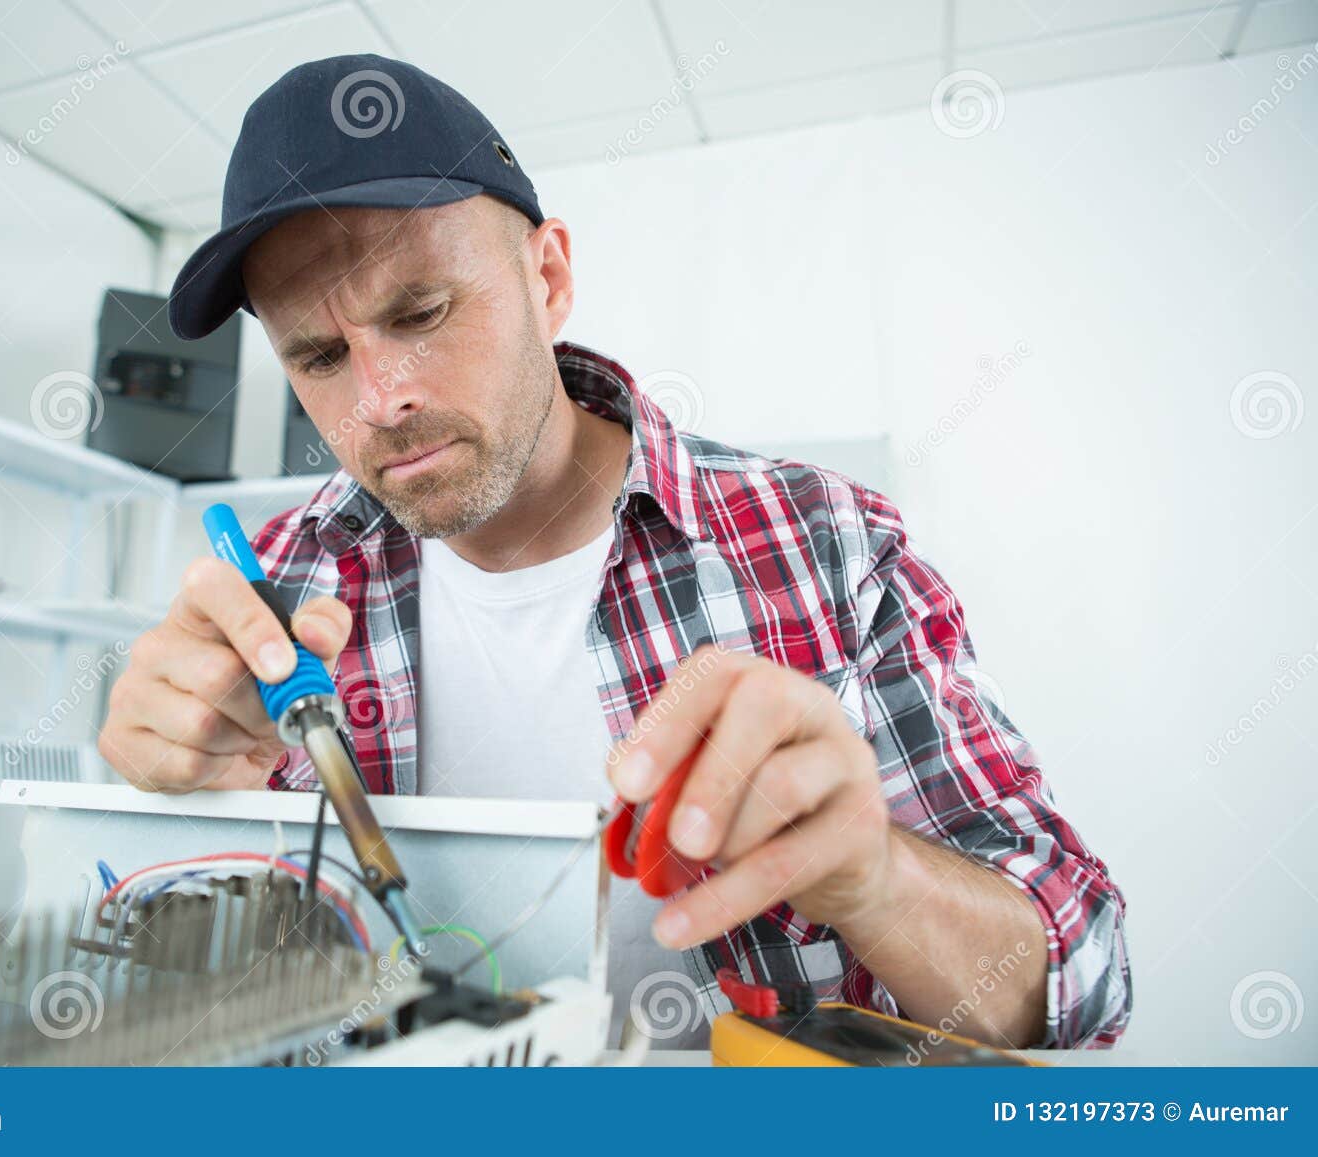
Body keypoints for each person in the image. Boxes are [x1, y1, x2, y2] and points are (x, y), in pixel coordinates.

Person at [98, 54, 1130, 1051]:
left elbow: (1083, 974)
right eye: (320, 356)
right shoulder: (273, 590)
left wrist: (875, 876)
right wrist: (161, 817)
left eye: (421, 312)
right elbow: (184, 1006)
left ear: (547, 277)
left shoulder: (825, 543)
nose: (380, 400)